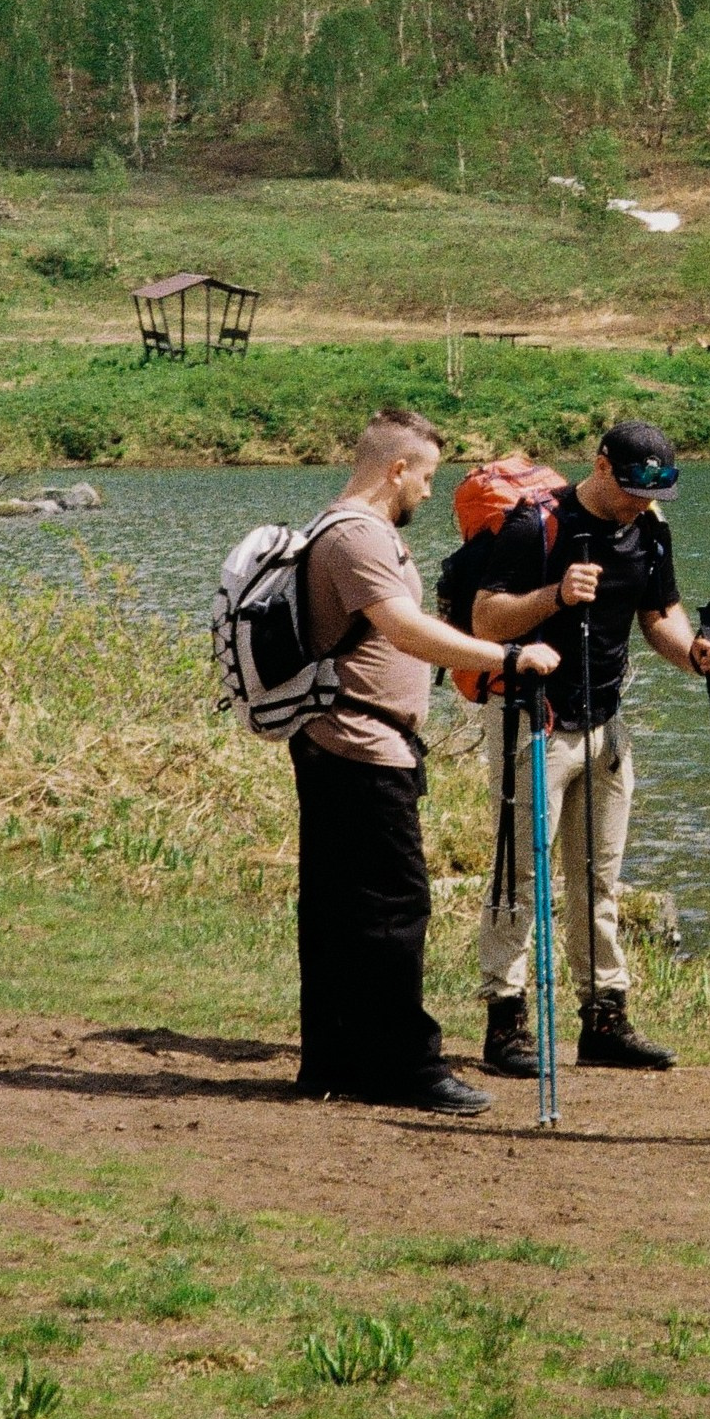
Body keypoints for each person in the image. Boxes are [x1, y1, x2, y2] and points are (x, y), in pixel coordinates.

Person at [293, 406, 555, 1115]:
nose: (432, 494)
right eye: (429, 477)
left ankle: (333, 1061)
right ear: (396, 469)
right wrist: (504, 655)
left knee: (340, 910)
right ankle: (404, 1066)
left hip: (350, 743)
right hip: (359, 746)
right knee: (392, 908)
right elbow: (405, 631)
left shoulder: (348, 529)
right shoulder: (355, 536)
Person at [468, 419, 710, 1079]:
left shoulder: (650, 533)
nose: (643, 506)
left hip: (607, 728)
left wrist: (691, 655)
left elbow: (659, 615)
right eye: (635, 491)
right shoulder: (535, 526)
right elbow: (485, 620)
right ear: (601, 465)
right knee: (520, 876)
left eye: (656, 496)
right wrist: (555, 596)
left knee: (599, 879)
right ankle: (506, 1024)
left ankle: (604, 1020)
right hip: (532, 722)